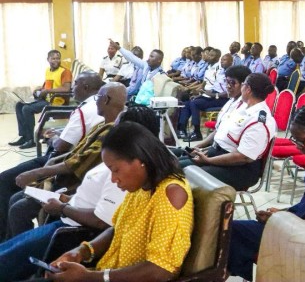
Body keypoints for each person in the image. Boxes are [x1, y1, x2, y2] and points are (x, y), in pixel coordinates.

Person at [0, 106, 159, 282]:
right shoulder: (122, 162)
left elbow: (104, 221)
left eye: (116, 127)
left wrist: (62, 208)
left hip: (72, 231)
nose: (110, 130)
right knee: (7, 250)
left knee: (5, 260)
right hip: (72, 220)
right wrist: (68, 200)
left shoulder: (129, 173)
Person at [40, 121, 193, 281]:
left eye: (115, 170)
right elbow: (117, 228)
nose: (113, 179)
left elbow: (161, 270)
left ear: (140, 161)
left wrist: (89, 277)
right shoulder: (142, 186)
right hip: (108, 270)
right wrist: (81, 252)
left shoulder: (171, 193)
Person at [227, 105, 305, 281]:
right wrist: (281, 215)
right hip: (302, 223)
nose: (298, 146)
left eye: (301, 140)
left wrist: (285, 223)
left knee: (233, 232)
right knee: (232, 231)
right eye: (294, 139)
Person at [4, 83, 127, 240]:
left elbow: (78, 162)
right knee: (16, 199)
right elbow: (75, 154)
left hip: (75, 185)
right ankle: (9, 245)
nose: (95, 102)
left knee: (19, 208)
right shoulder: (102, 124)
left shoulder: (112, 131)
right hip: (68, 178)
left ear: (106, 100)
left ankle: (20, 250)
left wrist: (38, 173)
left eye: (98, 98)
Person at [185, 73, 277, 191]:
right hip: (222, 156)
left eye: (243, 84)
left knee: (186, 175)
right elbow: (223, 136)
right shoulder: (243, 107)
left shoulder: (259, 120)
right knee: (175, 164)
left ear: (248, 89)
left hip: (240, 170)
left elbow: (243, 157)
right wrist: (204, 150)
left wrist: (208, 161)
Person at [176, 65, 252, 165]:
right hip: (215, 150)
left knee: (178, 165)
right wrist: (199, 146)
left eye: (232, 83)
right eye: (227, 82)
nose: (228, 86)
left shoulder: (246, 109)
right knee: (175, 158)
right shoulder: (231, 102)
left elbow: (242, 156)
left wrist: (208, 159)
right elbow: (218, 131)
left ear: (244, 85)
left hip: (227, 157)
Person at [10, 50, 73, 150]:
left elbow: (66, 89)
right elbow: (48, 85)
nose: (56, 60)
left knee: (27, 109)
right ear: (48, 59)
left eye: (58, 58)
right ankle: (24, 136)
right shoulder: (48, 70)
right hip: (46, 99)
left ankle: (32, 140)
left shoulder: (65, 72)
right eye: (53, 58)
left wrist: (47, 91)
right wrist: (40, 89)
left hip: (55, 102)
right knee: (19, 105)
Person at [178, 51, 231, 141]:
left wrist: (212, 94)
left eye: (224, 60)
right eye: (222, 60)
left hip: (223, 99)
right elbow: (209, 85)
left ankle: (197, 132)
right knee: (188, 102)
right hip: (214, 95)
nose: (222, 61)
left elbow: (227, 93)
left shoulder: (229, 73)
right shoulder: (219, 71)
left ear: (231, 62)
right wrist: (201, 93)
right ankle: (181, 129)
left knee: (194, 103)